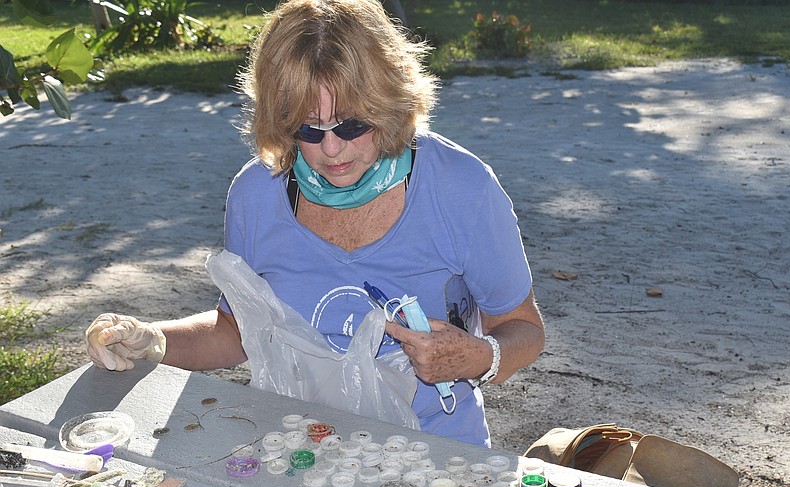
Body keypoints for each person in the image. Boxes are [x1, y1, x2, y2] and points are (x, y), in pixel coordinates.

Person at [86, 0, 545, 447]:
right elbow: (237, 332)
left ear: (390, 105)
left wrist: (479, 357)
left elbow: (525, 329)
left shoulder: (462, 187)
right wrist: (153, 341)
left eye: (351, 126)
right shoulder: (258, 192)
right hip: (297, 444)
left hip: (435, 446)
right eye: (308, 129)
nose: (331, 150)